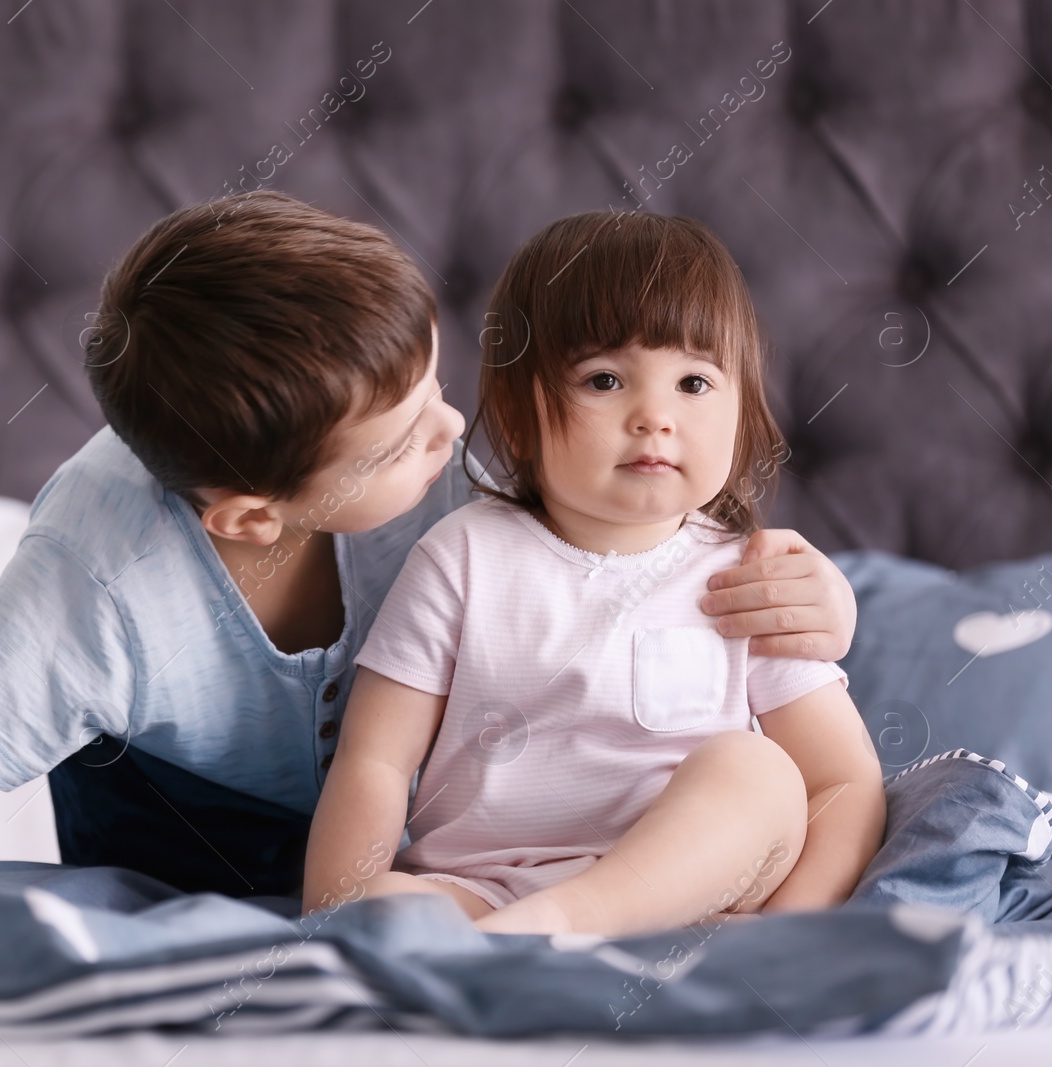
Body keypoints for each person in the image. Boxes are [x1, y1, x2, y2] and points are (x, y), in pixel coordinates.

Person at [0, 192, 862, 903]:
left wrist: (828, 604)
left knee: (740, 776)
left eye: (432, 384)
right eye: (402, 437)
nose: (453, 428)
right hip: (185, 837)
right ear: (254, 513)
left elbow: (622, 562)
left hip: (465, 847)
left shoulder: (447, 489)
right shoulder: (97, 568)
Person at [303, 211, 886, 936]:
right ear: (517, 418)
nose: (654, 416)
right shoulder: (461, 558)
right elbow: (376, 761)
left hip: (693, 891)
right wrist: (335, 912)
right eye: (605, 379)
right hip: (485, 895)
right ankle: (534, 945)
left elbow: (843, 781)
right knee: (383, 907)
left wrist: (793, 931)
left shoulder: (747, 576)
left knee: (759, 773)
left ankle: (569, 927)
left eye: (695, 383)